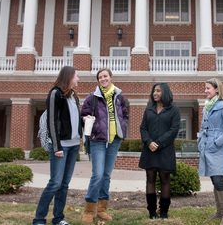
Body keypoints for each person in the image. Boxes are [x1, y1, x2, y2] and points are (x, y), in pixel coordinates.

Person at [33, 66, 82, 225]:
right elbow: (52, 121)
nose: (78, 79)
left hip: (74, 145)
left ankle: (58, 218)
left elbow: (73, 119)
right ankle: (39, 219)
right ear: (69, 77)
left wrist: (84, 121)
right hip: (61, 146)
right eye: (76, 76)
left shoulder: (74, 96)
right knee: (55, 183)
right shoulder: (56, 94)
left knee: (64, 184)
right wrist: (56, 147)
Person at [80, 68, 129, 223]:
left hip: (114, 140)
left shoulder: (119, 96)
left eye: (105, 76)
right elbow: (83, 114)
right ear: (98, 80)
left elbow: (125, 114)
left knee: (106, 175)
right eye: (100, 77)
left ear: (111, 77)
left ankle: (102, 210)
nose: (103, 79)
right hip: (97, 140)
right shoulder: (92, 97)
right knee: (97, 174)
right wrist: (85, 118)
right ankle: (88, 210)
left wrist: (123, 127)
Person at [197, 78, 223, 225]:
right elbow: (203, 127)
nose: (205, 91)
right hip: (207, 146)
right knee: (214, 179)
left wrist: (218, 142)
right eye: (205, 88)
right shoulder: (207, 106)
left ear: (217, 90)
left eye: (208, 88)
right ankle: (220, 212)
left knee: (219, 180)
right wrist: (200, 141)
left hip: (218, 148)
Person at [139, 82, 180, 219]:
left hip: (165, 150)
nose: (155, 93)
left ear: (165, 93)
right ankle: (151, 211)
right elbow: (143, 128)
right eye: (154, 91)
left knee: (164, 180)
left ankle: (163, 212)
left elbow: (173, 130)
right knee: (150, 178)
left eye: (158, 91)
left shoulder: (174, 110)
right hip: (149, 150)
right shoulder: (149, 110)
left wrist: (158, 143)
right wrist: (149, 142)